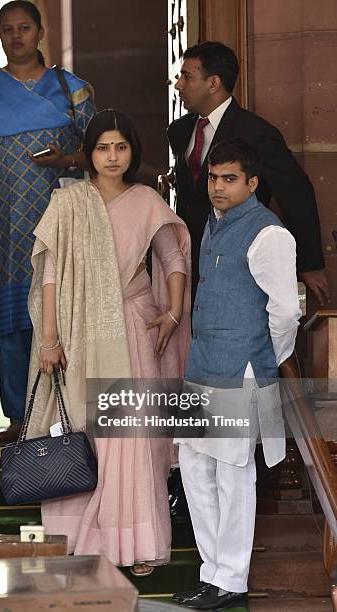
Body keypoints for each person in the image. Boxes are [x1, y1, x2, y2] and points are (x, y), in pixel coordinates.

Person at [25, 109, 191, 575]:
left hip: (135, 331)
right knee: (84, 432)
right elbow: (51, 274)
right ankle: (83, 541)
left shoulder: (145, 200)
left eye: (121, 147)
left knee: (131, 440)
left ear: (132, 151)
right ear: (89, 153)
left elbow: (173, 256)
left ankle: (135, 543)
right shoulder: (69, 201)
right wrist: (50, 339)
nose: (112, 156)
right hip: (78, 332)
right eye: (103, 147)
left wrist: (172, 313)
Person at [0, 0, 96, 444]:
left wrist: (67, 158)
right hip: (2, 233)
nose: (16, 36)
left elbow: (102, 154)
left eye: (24, 28)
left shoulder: (74, 91)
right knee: (11, 323)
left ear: (40, 32)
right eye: (7, 29)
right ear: (0, 36)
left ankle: (68, 420)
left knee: (63, 321)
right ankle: (19, 418)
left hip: (61, 227)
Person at [171, 138, 301, 610]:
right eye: (213, 178)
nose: (219, 187)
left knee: (232, 473)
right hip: (202, 364)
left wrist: (267, 356)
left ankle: (231, 579)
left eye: (229, 179)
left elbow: (285, 311)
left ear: (252, 182)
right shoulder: (211, 223)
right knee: (194, 468)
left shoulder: (270, 234)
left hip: (242, 368)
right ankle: (212, 573)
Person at [167, 41, 328, 305]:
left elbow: (296, 193)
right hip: (188, 263)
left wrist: (310, 264)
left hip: (238, 261)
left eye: (187, 76)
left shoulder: (258, 133)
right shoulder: (180, 131)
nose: (178, 85)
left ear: (213, 83)